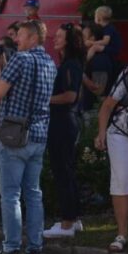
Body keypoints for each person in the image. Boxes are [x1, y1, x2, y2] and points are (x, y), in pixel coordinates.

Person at [0, 20, 56, 254]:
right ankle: (35, 248)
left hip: (14, 135)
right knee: (33, 194)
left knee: (11, 196)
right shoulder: (50, 62)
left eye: (21, 35)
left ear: (33, 37)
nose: (17, 40)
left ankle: (11, 248)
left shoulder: (20, 59)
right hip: (39, 134)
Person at [94, 48, 128, 254]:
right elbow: (108, 105)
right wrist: (101, 133)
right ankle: (121, 234)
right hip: (120, 131)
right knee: (121, 180)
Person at [43, 24, 85, 238]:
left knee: (63, 171)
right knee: (66, 169)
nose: (55, 39)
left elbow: (70, 95)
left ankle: (67, 221)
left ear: (68, 40)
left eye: (59, 36)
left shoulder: (70, 65)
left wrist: (46, 99)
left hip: (63, 122)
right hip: (62, 121)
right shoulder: (68, 64)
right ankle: (74, 217)